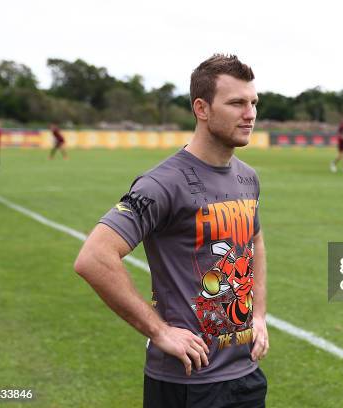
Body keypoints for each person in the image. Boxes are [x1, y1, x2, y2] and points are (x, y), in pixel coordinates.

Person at [74, 54, 268, 408]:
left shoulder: (248, 177)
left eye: (253, 102)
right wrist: (159, 331)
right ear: (202, 108)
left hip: (246, 375)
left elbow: (253, 240)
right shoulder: (161, 184)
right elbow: (94, 257)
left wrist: (258, 316)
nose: (250, 113)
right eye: (237, 103)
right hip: (188, 382)